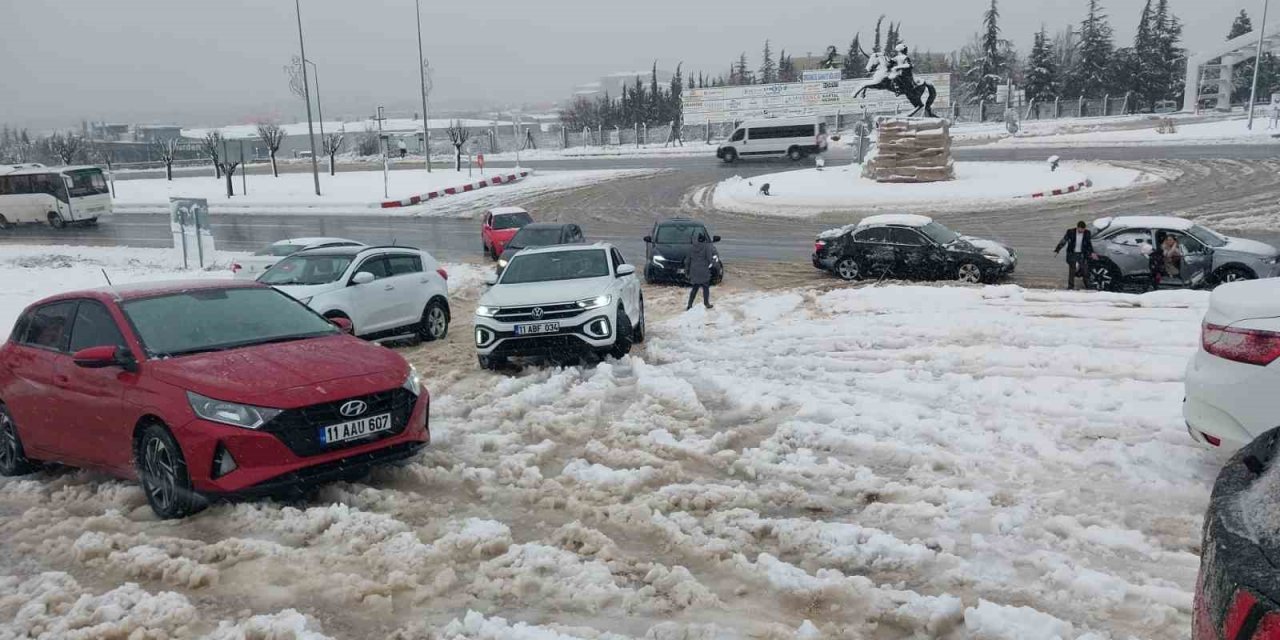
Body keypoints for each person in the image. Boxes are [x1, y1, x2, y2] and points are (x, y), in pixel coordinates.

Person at [1054, 221, 1096, 290]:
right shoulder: (1070, 232)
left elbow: (1089, 244)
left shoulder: (1087, 233)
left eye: (1083, 229)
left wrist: (1092, 252)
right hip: (1072, 253)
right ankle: (1070, 287)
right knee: (1072, 271)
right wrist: (1058, 249)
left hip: (1082, 254)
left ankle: (1088, 286)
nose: (1082, 231)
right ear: (1077, 227)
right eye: (1081, 229)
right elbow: (1064, 240)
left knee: (1085, 270)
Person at [685, 233, 715, 311]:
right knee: (705, 287)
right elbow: (709, 259)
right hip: (704, 270)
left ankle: (689, 305)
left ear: (698, 239)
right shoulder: (706, 247)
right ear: (704, 239)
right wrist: (711, 264)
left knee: (694, 288)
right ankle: (706, 303)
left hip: (694, 271)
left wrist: (687, 271)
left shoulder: (691, 248)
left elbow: (687, 261)